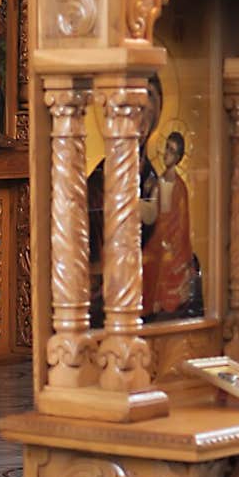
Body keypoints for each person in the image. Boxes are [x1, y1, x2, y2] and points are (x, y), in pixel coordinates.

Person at [87, 73, 162, 325]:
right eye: (135, 116)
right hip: (112, 306)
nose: (139, 127)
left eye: (147, 118)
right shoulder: (98, 184)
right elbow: (93, 263)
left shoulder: (155, 179)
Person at [141, 131, 196, 318]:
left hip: (173, 244)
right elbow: (152, 213)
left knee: (158, 262)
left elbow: (182, 223)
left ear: (179, 157)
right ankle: (144, 308)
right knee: (144, 259)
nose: (167, 154)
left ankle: (157, 304)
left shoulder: (180, 187)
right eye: (167, 148)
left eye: (172, 151)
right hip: (157, 236)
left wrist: (170, 243)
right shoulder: (158, 180)